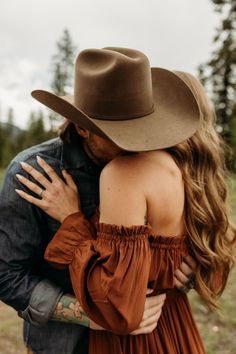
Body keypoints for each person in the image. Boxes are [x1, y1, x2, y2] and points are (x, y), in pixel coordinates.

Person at [13, 47, 236, 353]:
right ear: (83, 127)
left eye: (142, 127)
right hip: (60, 344)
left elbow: (210, 249)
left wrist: (186, 266)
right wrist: (86, 315)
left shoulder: (143, 166)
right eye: (121, 133)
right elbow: (7, 274)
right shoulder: (32, 171)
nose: (139, 142)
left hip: (146, 334)